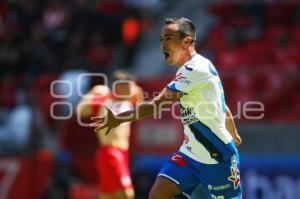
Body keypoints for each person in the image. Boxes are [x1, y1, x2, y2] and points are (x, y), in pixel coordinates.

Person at [91, 17, 242, 199]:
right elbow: (222, 105)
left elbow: (156, 105)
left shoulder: (194, 69)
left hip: (217, 157)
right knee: (158, 195)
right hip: (190, 154)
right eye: (161, 39)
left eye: (168, 38)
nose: (163, 45)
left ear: (186, 41)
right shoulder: (202, 66)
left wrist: (119, 118)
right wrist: (234, 133)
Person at [78, 71, 143, 199]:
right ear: (120, 87)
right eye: (130, 86)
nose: (133, 89)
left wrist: (139, 95)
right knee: (127, 194)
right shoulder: (105, 100)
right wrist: (91, 94)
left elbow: (143, 112)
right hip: (110, 152)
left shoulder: (128, 103)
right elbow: (81, 111)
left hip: (123, 154)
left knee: (107, 196)